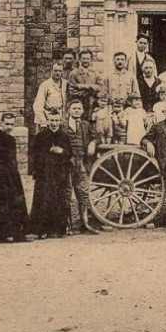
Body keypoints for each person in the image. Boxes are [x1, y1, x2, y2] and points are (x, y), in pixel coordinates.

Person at [0, 111, 29, 242]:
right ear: (1, 124)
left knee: (15, 205)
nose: (9, 127)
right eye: (7, 124)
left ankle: (15, 234)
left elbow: (13, 160)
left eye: (12, 124)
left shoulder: (12, 140)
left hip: (12, 178)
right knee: (0, 207)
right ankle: (0, 235)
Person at [28, 108, 73, 238]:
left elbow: (70, 153)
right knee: (43, 200)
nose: (54, 123)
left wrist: (62, 151)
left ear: (60, 121)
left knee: (58, 200)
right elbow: (34, 154)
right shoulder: (41, 136)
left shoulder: (64, 136)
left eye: (56, 120)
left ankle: (57, 230)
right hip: (44, 173)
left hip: (59, 173)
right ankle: (41, 230)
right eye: (52, 120)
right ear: (47, 121)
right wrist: (36, 170)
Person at [65, 97, 97, 233]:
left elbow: (96, 136)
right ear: (68, 111)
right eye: (74, 108)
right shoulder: (62, 124)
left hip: (81, 162)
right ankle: (67, 225)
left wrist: (92, 143)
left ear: (83, 111)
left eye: (79, 108)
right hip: (66, 163)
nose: (77, 111)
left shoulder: (85, 125)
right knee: (66, 192)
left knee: (83, 192)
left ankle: (85, 224)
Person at [68, 48, 105, 116]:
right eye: (83, 58)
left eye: (87, 59)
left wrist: (83, 86)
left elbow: (101, 88)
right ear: (79, 59)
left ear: (91, 60)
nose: (85, 61)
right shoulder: (74, 73)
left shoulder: (96, 73)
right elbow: (72, 91)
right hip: (78, 105)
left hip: (92, 105)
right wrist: (90, 92)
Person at [32, 60, 66, 129]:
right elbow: (38, 105)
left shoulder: (65, 84)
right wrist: (43, 121)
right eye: (55, 70)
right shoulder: (45, 85)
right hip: (47, 116)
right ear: (51, 71)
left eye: (60, 71)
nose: (58, 73)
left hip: (58, 118)